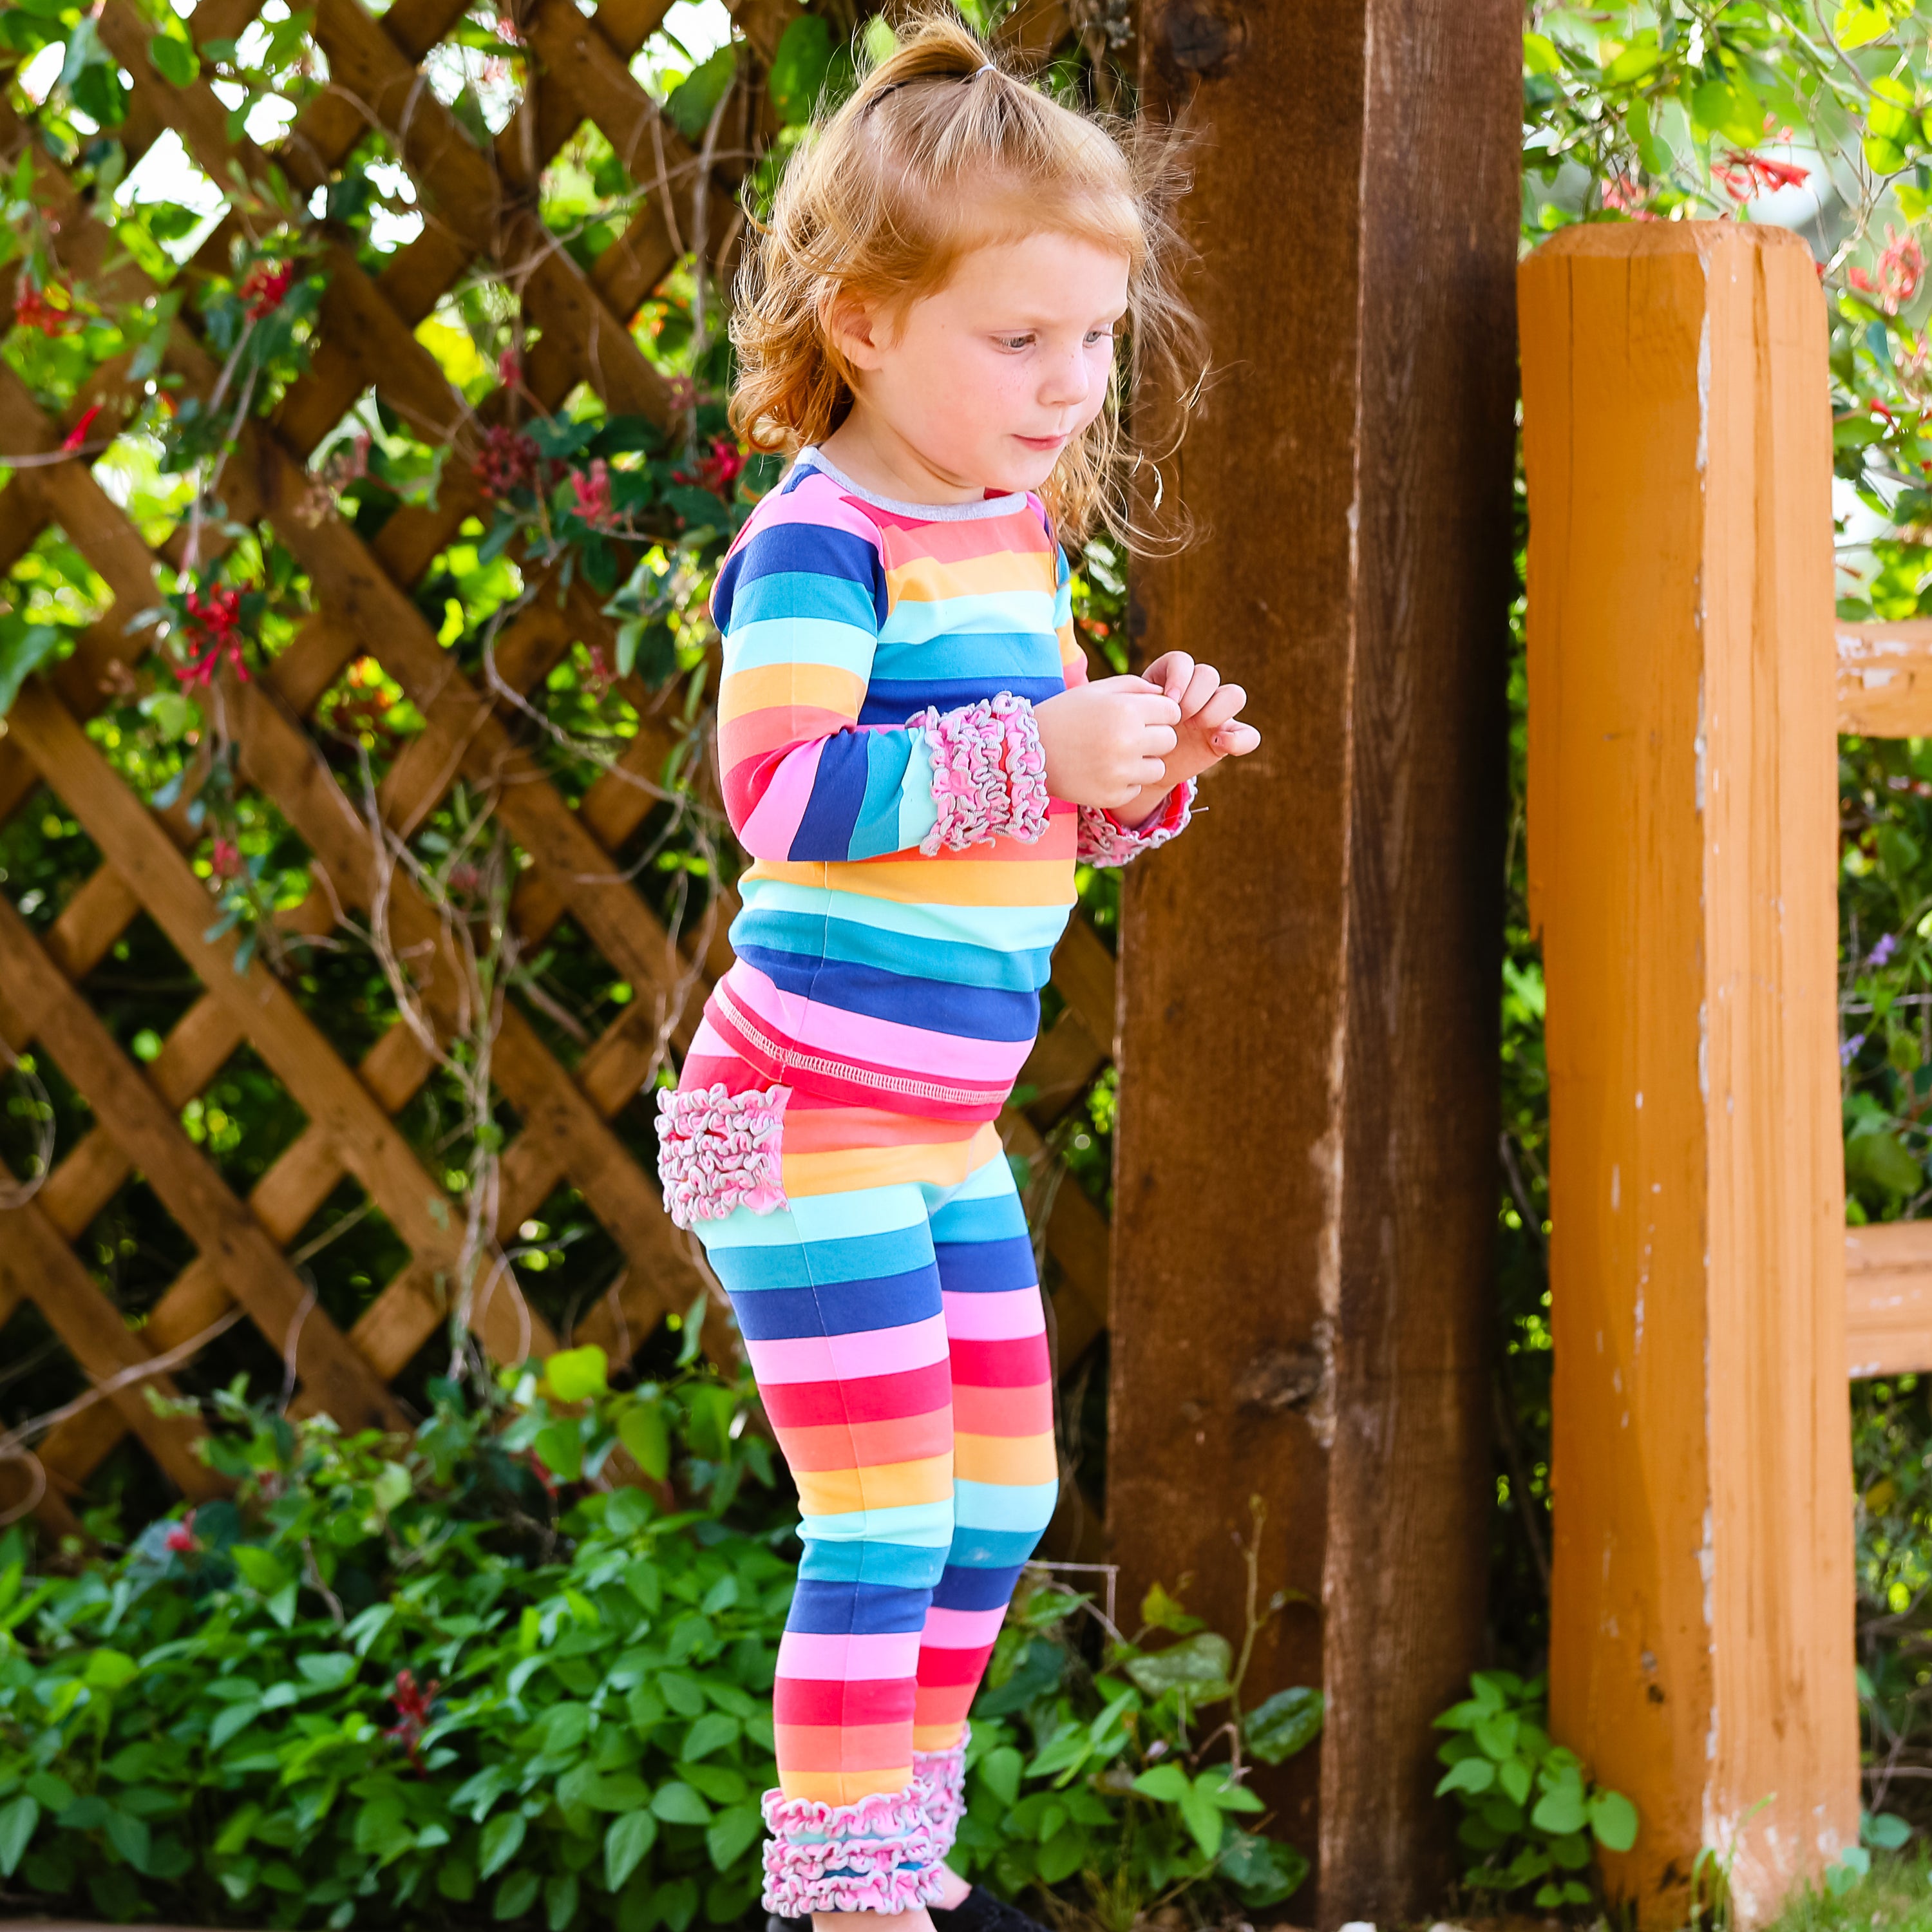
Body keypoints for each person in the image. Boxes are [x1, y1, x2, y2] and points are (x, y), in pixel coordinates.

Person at [653, 15, 1260, 1932]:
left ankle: (897, 1866)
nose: (1072, 384)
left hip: (936, 1124)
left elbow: (1024, 816)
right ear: (858, 324)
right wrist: (1035, 753)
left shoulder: (1009, 534)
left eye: (1094, 340)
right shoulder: (824, 546)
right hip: (792, 1115)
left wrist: (1136, 767)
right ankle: (841, 1902)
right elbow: (781, 790)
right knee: (887, 1516)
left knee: (996, 1505)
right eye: (1022, 341)